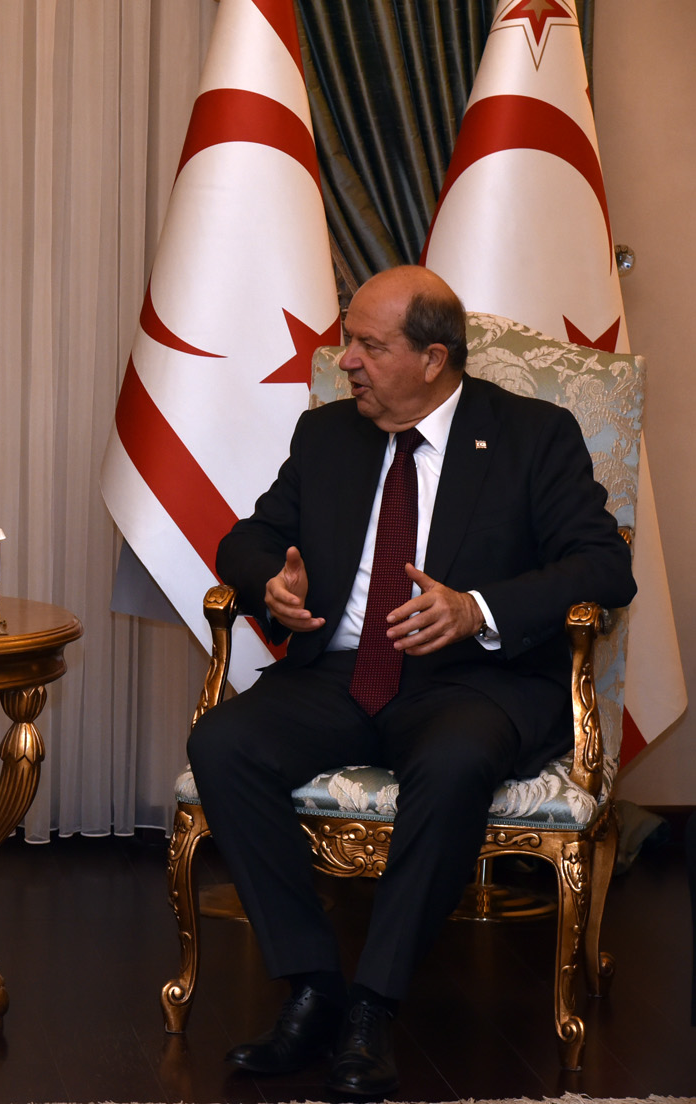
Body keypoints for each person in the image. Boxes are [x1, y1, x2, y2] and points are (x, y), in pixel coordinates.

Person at [188, 266, 635, 1096]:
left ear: (433, 359)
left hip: (471, 682)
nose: (347, 361)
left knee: (456, 760)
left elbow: (604, 567)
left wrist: (476, 608)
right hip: (339, 673)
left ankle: (375, 1004)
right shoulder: (327, 435)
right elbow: (247, 538)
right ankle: (313, 987)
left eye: (369, 345)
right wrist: (269, 583)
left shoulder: (532, 435)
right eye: (347, 341)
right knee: (223, 742)